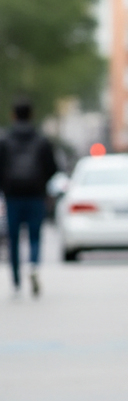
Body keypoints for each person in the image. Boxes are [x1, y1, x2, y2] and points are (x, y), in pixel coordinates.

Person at [0, 99, 58, 297]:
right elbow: (52, 168)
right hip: (35, 195)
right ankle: (33, 266)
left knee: (14, 238)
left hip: (13, 195)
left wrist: (5, 187)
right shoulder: (41, 140)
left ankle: (16, 280)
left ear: (13, 115)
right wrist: (42, 184)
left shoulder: (5, 140)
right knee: (34, 235)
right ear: (31, 115)